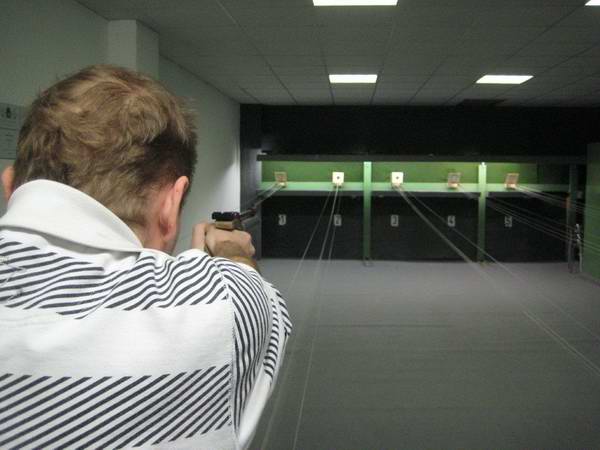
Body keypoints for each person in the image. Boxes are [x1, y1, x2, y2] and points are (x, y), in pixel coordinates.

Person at [0, 65, 291, 450]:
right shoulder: (228, 307)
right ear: (171, 204)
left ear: (10, 184)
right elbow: (248, 284)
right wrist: (229, 251)